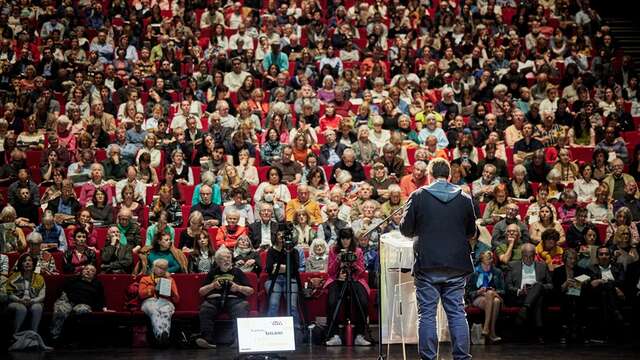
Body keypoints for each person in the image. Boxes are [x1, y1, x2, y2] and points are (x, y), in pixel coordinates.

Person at [399, 158, 476, 360]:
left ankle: (429, 358)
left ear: (430, 176)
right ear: (449, 175)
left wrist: (422, 228)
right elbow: (471, 231)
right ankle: (461, 357)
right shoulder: (464, 198)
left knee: (427, 314)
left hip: (428, 263)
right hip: (457, 264)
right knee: (457, 313)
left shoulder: (418, 196)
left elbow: (406, 229)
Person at [195, 246, 255, 349]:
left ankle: (239, 339)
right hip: (214, 299)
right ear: (218, 261)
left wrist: (238, 287)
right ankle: (207, 339)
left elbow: (250, 291)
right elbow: (201, 292)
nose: (227, 260)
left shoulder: (238, 272)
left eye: (228, 257)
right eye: (223, 258)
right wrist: (212, 286)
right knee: (206, 308)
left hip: (234, 300)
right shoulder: (213, 272)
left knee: (242, 306)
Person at [324, 228, 371, 346]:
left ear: (351, 239)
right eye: (343, 238)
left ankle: (360, 335)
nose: (345, 241)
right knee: (332, 302)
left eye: (348, 238)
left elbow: (361, 272)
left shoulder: (358, 251)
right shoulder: (333, 250)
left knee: (363, 302)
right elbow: (330, 271)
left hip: (355, 280)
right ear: (339, 239)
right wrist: (338, 260)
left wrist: (353, 263)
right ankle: (334, 335)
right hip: (337, 279)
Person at [505, 243, 553, 344]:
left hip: (537, 295)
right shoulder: (512, 265)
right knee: (537, 299)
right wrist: (519, 291)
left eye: (531, 256)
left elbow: (550, 285)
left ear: (535, 255)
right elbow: (508, 286)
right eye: (526, 256)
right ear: (521, 255)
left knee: (538, 287)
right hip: (520, 296)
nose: (528, 259)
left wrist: (538, 287)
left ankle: (525, 309)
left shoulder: (542, 266)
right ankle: (539, 333)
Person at [49, 265, 107, 342]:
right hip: (68, 301)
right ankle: (54, 336)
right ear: (82, 271)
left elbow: (101, 298)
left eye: (92, 270)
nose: (88, 271)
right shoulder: (73, 279)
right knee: (61, 310)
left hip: (84, 304)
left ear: (94, 275)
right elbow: (60, 288)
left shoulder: (97, 284)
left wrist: (104, 308)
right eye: (86, 269)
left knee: (82, 311)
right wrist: (63, 296)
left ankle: (75, 338)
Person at [265, 226, 304, 333]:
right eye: (279, 234)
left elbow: (295, 269)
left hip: (291, 279)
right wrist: (286, 268)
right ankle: (269, 330)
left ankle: (296, 331)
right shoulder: (271, 251)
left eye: (284, 235)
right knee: (273, 303)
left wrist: (280, 268)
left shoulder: (294, 251)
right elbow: (269, 269)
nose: (281, 237)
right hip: (274, 280)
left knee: (292, 305)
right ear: (276, 236)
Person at [138, 258, 180, 346]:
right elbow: (141, 295)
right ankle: (160, 336)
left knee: (166, 312)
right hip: (149, 301)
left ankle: (163, 337)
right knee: (154, 310)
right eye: (159, 267)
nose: (161, 270)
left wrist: (170, 290)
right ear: (154, 268)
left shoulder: (170, 280)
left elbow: (176, 299)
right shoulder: (145, 279)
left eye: (164, 268)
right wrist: (154, 287)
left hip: (165, 301)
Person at [466, 251, 505, 343]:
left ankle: (487, 328)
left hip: (494, 296)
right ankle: (492, 332)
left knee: (493, 297)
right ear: (481, 260)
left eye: (491, 258)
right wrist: (478, 291)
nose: (491, 259)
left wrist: (494, 291)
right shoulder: (474, 272)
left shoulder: (497, 272)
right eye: (488, 258)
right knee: (493, 299)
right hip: (478, 298)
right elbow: (468, 292)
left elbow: (503, 290)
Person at [552, 249, 588, 344]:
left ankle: (579, 330)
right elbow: (555, 291)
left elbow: (586, 286)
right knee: (568, 299)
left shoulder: (582, 270)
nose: (573, 261)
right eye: (570, 258)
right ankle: (565, 331)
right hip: (562, 297)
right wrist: (565, 284)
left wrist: (583, 283)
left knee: (577, 298)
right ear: (565, 259)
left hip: (578, 296)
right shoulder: (558, 271)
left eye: (575, 259)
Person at [5, 254, 45, 335]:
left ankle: (34, 334)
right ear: (21, 264)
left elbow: (42, 295)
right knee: (22, 308)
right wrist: (19, 300)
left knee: (37, 307)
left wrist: (32, 301)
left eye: (29, 261)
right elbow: (9, 294)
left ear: (33, 264)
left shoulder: (39, 278)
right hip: (16, 302)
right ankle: (15, 335)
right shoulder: (14, 277)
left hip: (33, 301)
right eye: (25, 261)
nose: (27, 263)